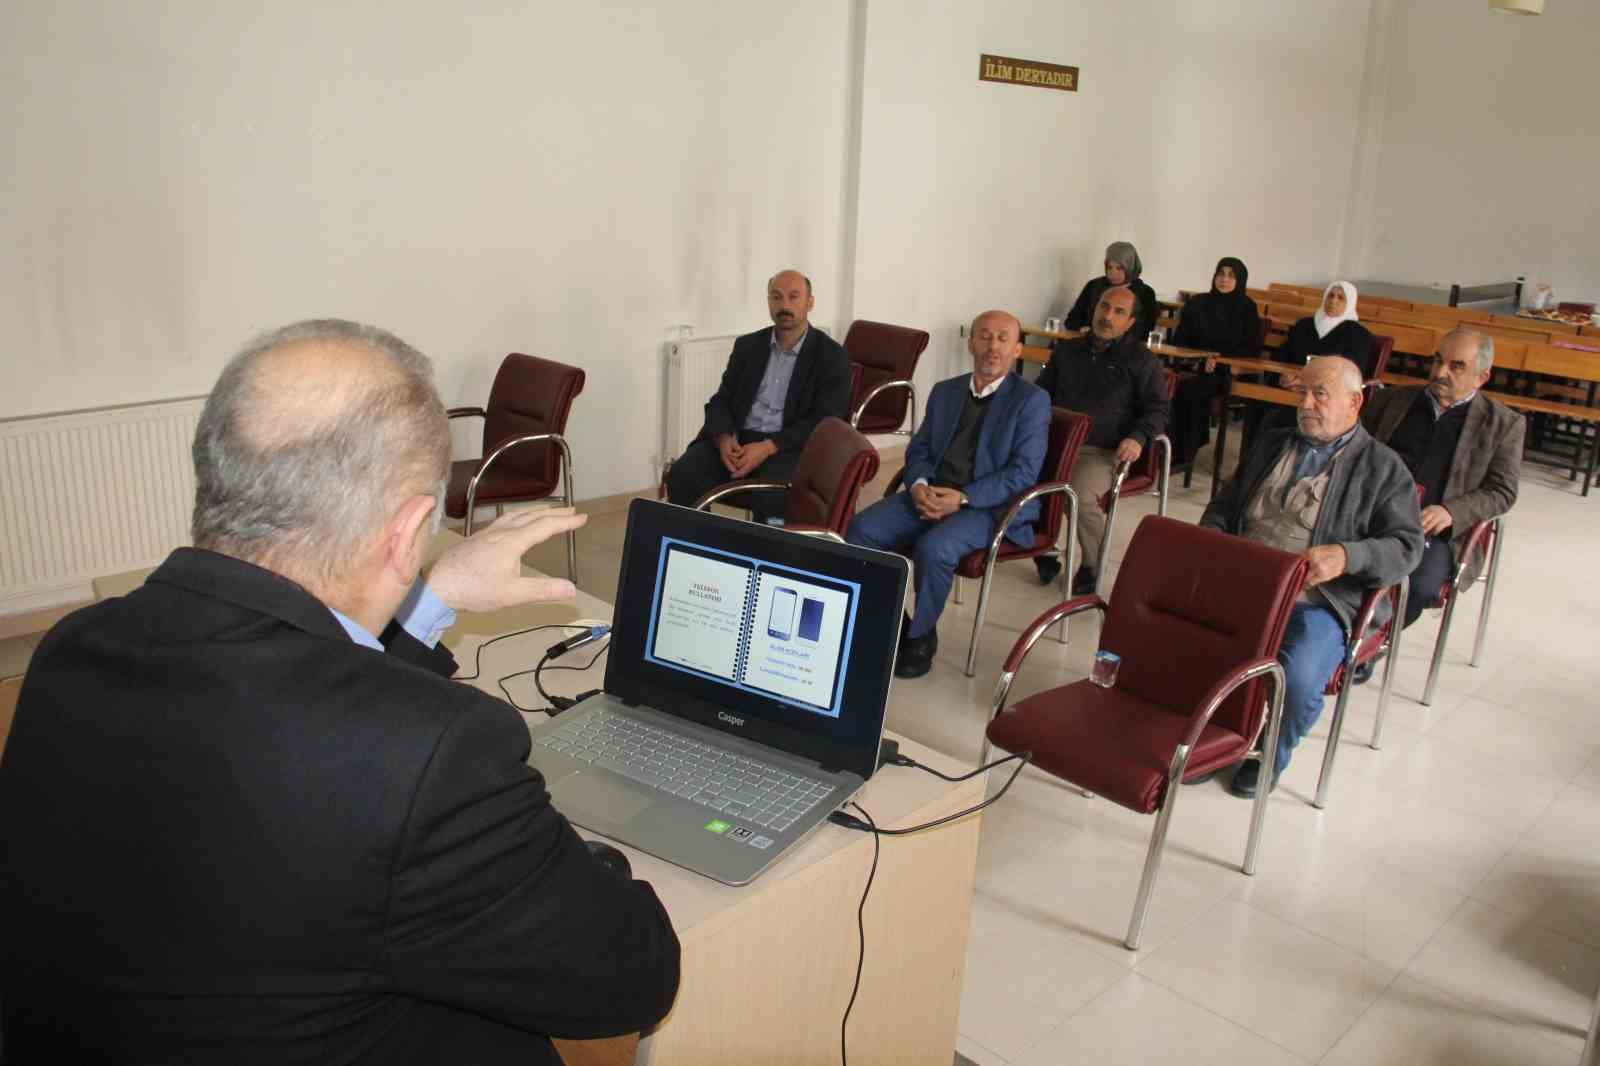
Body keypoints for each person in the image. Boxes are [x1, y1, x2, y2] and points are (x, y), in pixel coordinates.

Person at [0, 320, 681, 1064]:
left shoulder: (74, 650)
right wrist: (583, 864)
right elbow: (632, 977)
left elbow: (315, 695)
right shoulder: (432, 757)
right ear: (411, 530)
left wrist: (432, 596)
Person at [1200, 356, 1422, 798]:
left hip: (1318, 600)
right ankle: (1216, 741)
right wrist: (1213, 543)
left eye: (1319, 393)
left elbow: (1407, 546)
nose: (1305, 403)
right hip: (1248, 580)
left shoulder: (1383, 466)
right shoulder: (1272, 442)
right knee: (1196, 644)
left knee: (1298, 678)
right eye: (1301, 391)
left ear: (1355, 402)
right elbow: (1224, 507)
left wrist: (1347, 555)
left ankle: (1268, 752)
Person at [847, 311, 1049, 679]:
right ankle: (896, 624)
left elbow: (1023, 472)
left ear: (1018, 349)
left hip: (990, 506)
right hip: (932, 491)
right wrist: (920, 484)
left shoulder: (1031, 401)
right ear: (970, 343)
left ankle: (922, 638)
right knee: (860, 530)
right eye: (984, 337)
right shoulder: (946, 391)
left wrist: (963, 497)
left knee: (935, 549)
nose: (993, 346)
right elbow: (919, 449)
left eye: (1003, 339)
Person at [1362, 327, 1522, 630]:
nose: (1439, 372)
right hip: (1372, 512)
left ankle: (1374, 639)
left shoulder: (1504, 424)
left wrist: (1451, 512)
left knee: (1417, 585)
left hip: (1435, 531)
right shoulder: (1393, 401)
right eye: (1437, 361)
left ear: (1482, 377)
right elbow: (1357, 452)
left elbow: (1502, 490)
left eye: (1456, 366)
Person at [665, 269, 852, 521]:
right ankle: (701, 548)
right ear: (768, 302)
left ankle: (761, 557)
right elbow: (722, 399)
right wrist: (723, 438)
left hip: (789, 447)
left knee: (770, 496)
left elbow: (825, 421)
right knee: (682, 474)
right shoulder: (748, 346)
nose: (784, 305)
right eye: (776, 297)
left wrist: (768, 447)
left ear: (810, 302)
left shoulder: (831, 356)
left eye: (794, 297)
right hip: (740, 441)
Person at [1032, 286, 1170, 593]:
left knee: (1078, 493)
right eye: (1104, 307)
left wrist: (1137, 438)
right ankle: (1042, 547)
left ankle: (1093, 564)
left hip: (1102, 449)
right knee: (1016, 477)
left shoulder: (1141, 361)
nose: (1107, 316)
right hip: (1055, 442)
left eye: (1118, 312)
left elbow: (1158, 409)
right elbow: (1040, 394)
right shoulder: (1068, 350)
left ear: (1131, 322)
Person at [1168, 257, 1262, 466]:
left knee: (1190, 390)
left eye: (1231, 275)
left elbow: (1250, 349)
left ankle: (1183, 452)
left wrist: (1220, 362)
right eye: (1221, 274)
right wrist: (1200, 359)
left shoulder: (1246, 308)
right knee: (1163, 384)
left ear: (1240, 280)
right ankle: (1158, 449)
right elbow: (1181, 339)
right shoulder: (1198, 303)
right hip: (1194, 365)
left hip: (1226, 372)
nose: (1224, 279)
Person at [1275, 281, 1377, 378]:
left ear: (1350, 303)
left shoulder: (1358, 334)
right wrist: (1282, 376)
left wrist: (1306, 382)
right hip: (1292, 382)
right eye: (1331, 295)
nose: (1333, 301)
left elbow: (1352, 370)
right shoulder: (1303, 325)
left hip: (1330, 390)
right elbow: (1283, 354)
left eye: (1340, 298)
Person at [1063, 241, 1159, 342]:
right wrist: (1082, 328)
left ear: (1130, 268)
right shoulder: (1094, 286)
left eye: (1119, 268)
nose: (1113, 273)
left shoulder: (1145, 293)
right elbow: (1072, 320)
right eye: (1109, 267)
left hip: (1124, 349)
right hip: (1088, 342)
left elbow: (1146, 331)